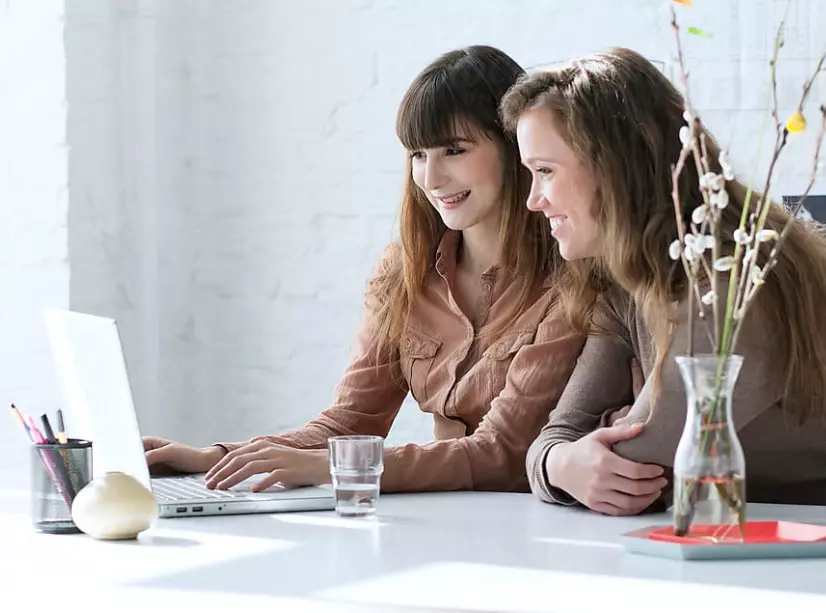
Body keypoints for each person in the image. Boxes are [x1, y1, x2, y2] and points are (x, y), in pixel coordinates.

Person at [143, 45, 584, 494]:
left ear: (516, 148)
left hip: (533, 525)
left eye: (454, 150)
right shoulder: (404, 271)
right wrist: (215, 458)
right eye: (418, 154)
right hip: (445, 519)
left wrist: (335, 468)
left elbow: (502, 453)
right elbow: (352, 420)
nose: (431, 179)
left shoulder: (569, 279)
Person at [500, 47, 826, 515]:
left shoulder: (735, 280)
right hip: (723, 537)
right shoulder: (621, 281)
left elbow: (644, 461)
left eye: (545, 171)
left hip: (800, 551)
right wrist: (558, 463)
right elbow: (558, 435)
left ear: (614, 165)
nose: (534, 200)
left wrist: (617, 425)